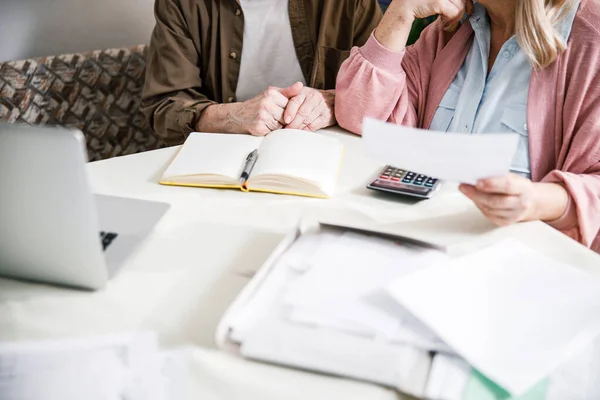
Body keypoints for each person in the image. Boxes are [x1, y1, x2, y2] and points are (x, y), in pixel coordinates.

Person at [335, 0, 600, 252]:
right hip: (417, 248)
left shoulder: (591, 37)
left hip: (527, 271)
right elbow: (360, 118)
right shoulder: (451, 29)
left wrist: (537, 201)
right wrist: (399, 14)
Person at [140, 0, 382, 145]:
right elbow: (164, 107)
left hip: (332, 153)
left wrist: (332, 101)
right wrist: (230, 116)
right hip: (223, 159)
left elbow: (392, 96)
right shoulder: (182, 4)